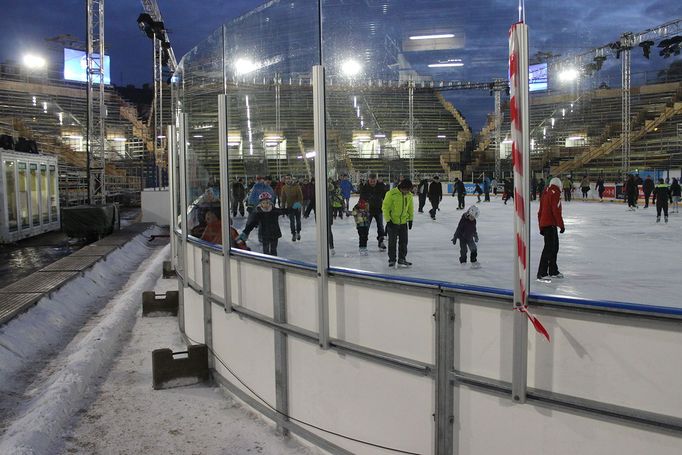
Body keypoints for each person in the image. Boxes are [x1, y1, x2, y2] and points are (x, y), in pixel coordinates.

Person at [537, 177, 565, 283]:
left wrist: (541, 226)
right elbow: (556, 210)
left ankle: (553, 270)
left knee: (554, 248)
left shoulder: (545, 193)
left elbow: (540, 211)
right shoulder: (555, 193)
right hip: (551, 225)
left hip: (546, 224)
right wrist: (561, 225)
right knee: (549, 249)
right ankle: (542, 272)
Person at [382, 179, 414, 268]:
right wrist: (388, 220)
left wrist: (411, 219)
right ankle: (392, 260)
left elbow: (410, 208)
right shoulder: (391, 194)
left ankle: (402, 259)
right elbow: (385, 208)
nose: (408, 192)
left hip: (403, 222)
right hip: (393, 222)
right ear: (402, 188)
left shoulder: (409, 195)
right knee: (392, 242)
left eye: (409, 190)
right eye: (407, 190)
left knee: (404, 242)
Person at [359, 173, 388, 250]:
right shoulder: (364, 187)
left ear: (376, 180)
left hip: (379, 209)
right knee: (366, 227)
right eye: (371, 181)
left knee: (380, 227)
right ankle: (364, 243)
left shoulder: (381, 186)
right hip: (368, 211)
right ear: (369, 180)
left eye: (374, 181)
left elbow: (386, 197)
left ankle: (381, 241)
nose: (373, 183)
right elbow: (361, 199)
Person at [281, 175, 304, 241]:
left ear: (291, 179)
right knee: (292, 221)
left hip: (296, 205)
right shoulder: (284, 188)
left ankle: (298, 232)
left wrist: (299, 205)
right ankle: (293, 234)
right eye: (286, 179)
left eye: (289, 178)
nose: (288, 180)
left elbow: (300, 197)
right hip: (289, 206)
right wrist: (283, 208)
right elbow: (283, 198)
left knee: (298, 220)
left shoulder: (296, 186)